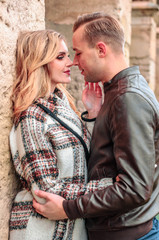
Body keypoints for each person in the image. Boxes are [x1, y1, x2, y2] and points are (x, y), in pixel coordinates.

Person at [33, 12, 159, 240]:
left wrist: (68, 208)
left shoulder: (127, 97)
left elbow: (135, 188)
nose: (74, 61)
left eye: (78, 52)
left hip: (129, 234)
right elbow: (106, 159)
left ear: (101, 50)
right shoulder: (116, 92)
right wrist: (94, 115)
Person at [9, 29, 113, 240]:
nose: (71, 62)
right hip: (41, 230)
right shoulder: (32, 116)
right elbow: (45, 188)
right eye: (60, 57)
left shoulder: (62, 104)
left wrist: (93, 113)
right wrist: (109, 187)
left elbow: (84, 154)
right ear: (40, 62)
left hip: (71, 226)